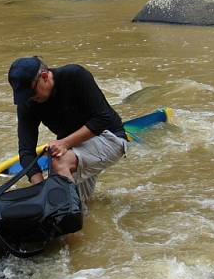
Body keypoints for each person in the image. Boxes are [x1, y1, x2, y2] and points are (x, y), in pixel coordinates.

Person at [8, 56, 127, 203]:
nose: (29, 99)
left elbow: (103, 118)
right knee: (79, 207)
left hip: (110, 137)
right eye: (23, 96)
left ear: (44, 77)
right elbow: (26, 151)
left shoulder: (74, 75)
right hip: (76, 149)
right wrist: (40, 187)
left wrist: (64, 143)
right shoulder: (27, 102)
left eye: (31, 93)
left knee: (59, 163)